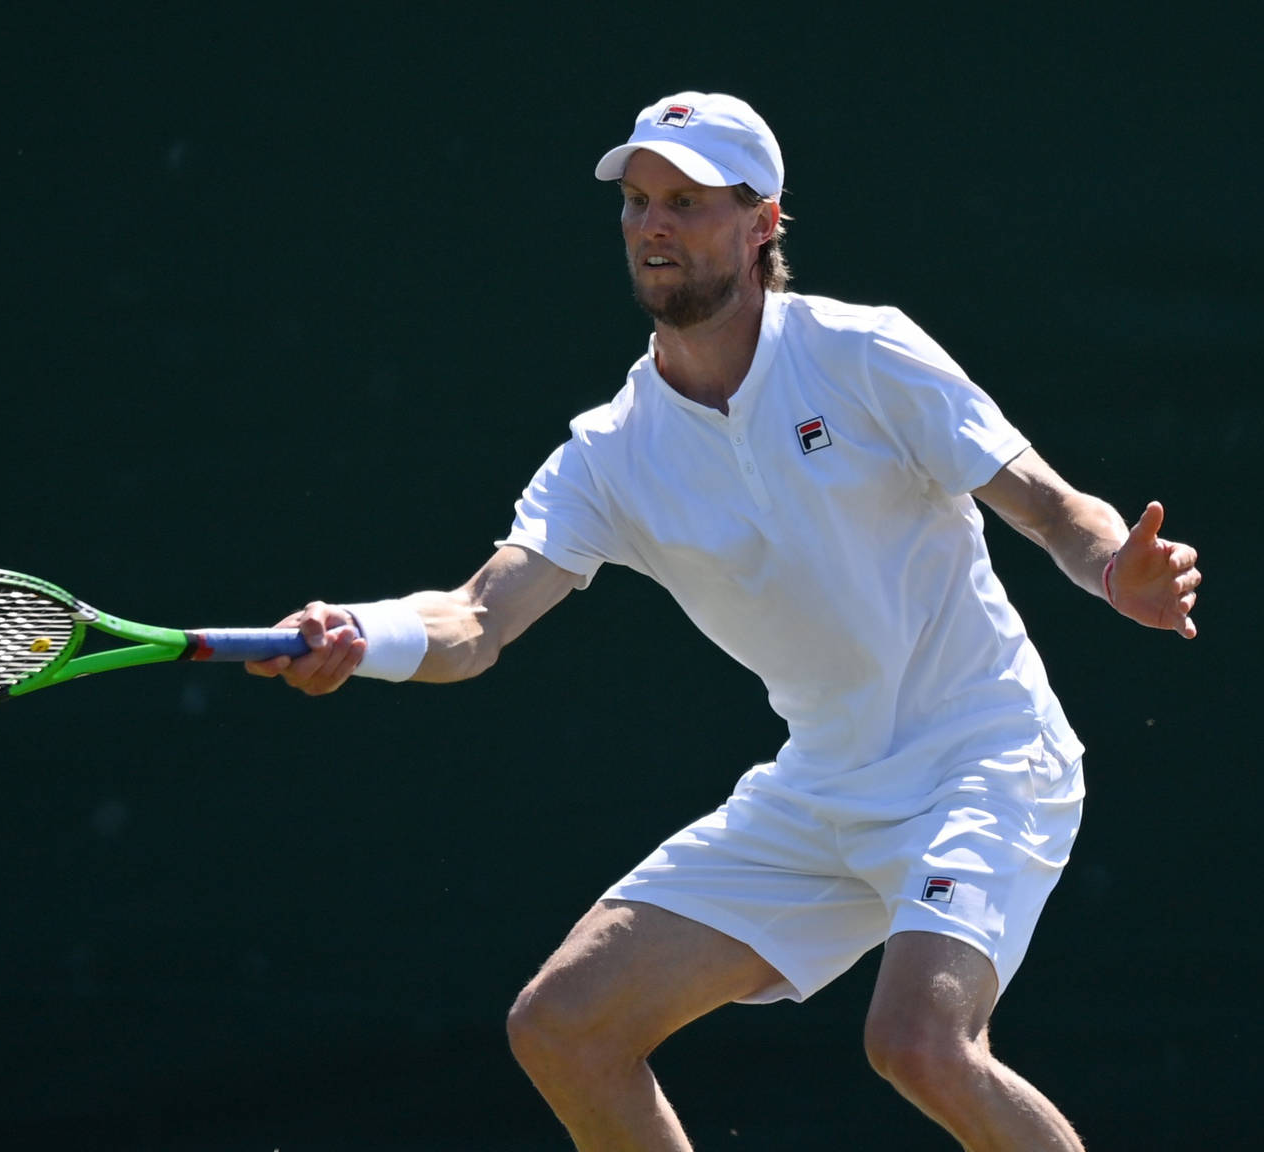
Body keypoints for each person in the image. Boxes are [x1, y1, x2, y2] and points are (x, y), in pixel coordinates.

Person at [247, 90, 1201, 1152]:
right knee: (565, 1028)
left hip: (982, 759)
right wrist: (359, 637)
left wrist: (1117, 569)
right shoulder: (609, 451)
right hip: (823, 786)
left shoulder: (864, 354)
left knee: (920, 1044)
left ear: (762, 225)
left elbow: (1052, 507)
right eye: (638, 202)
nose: (652, 225)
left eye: (688, 202)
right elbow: (478, 617)